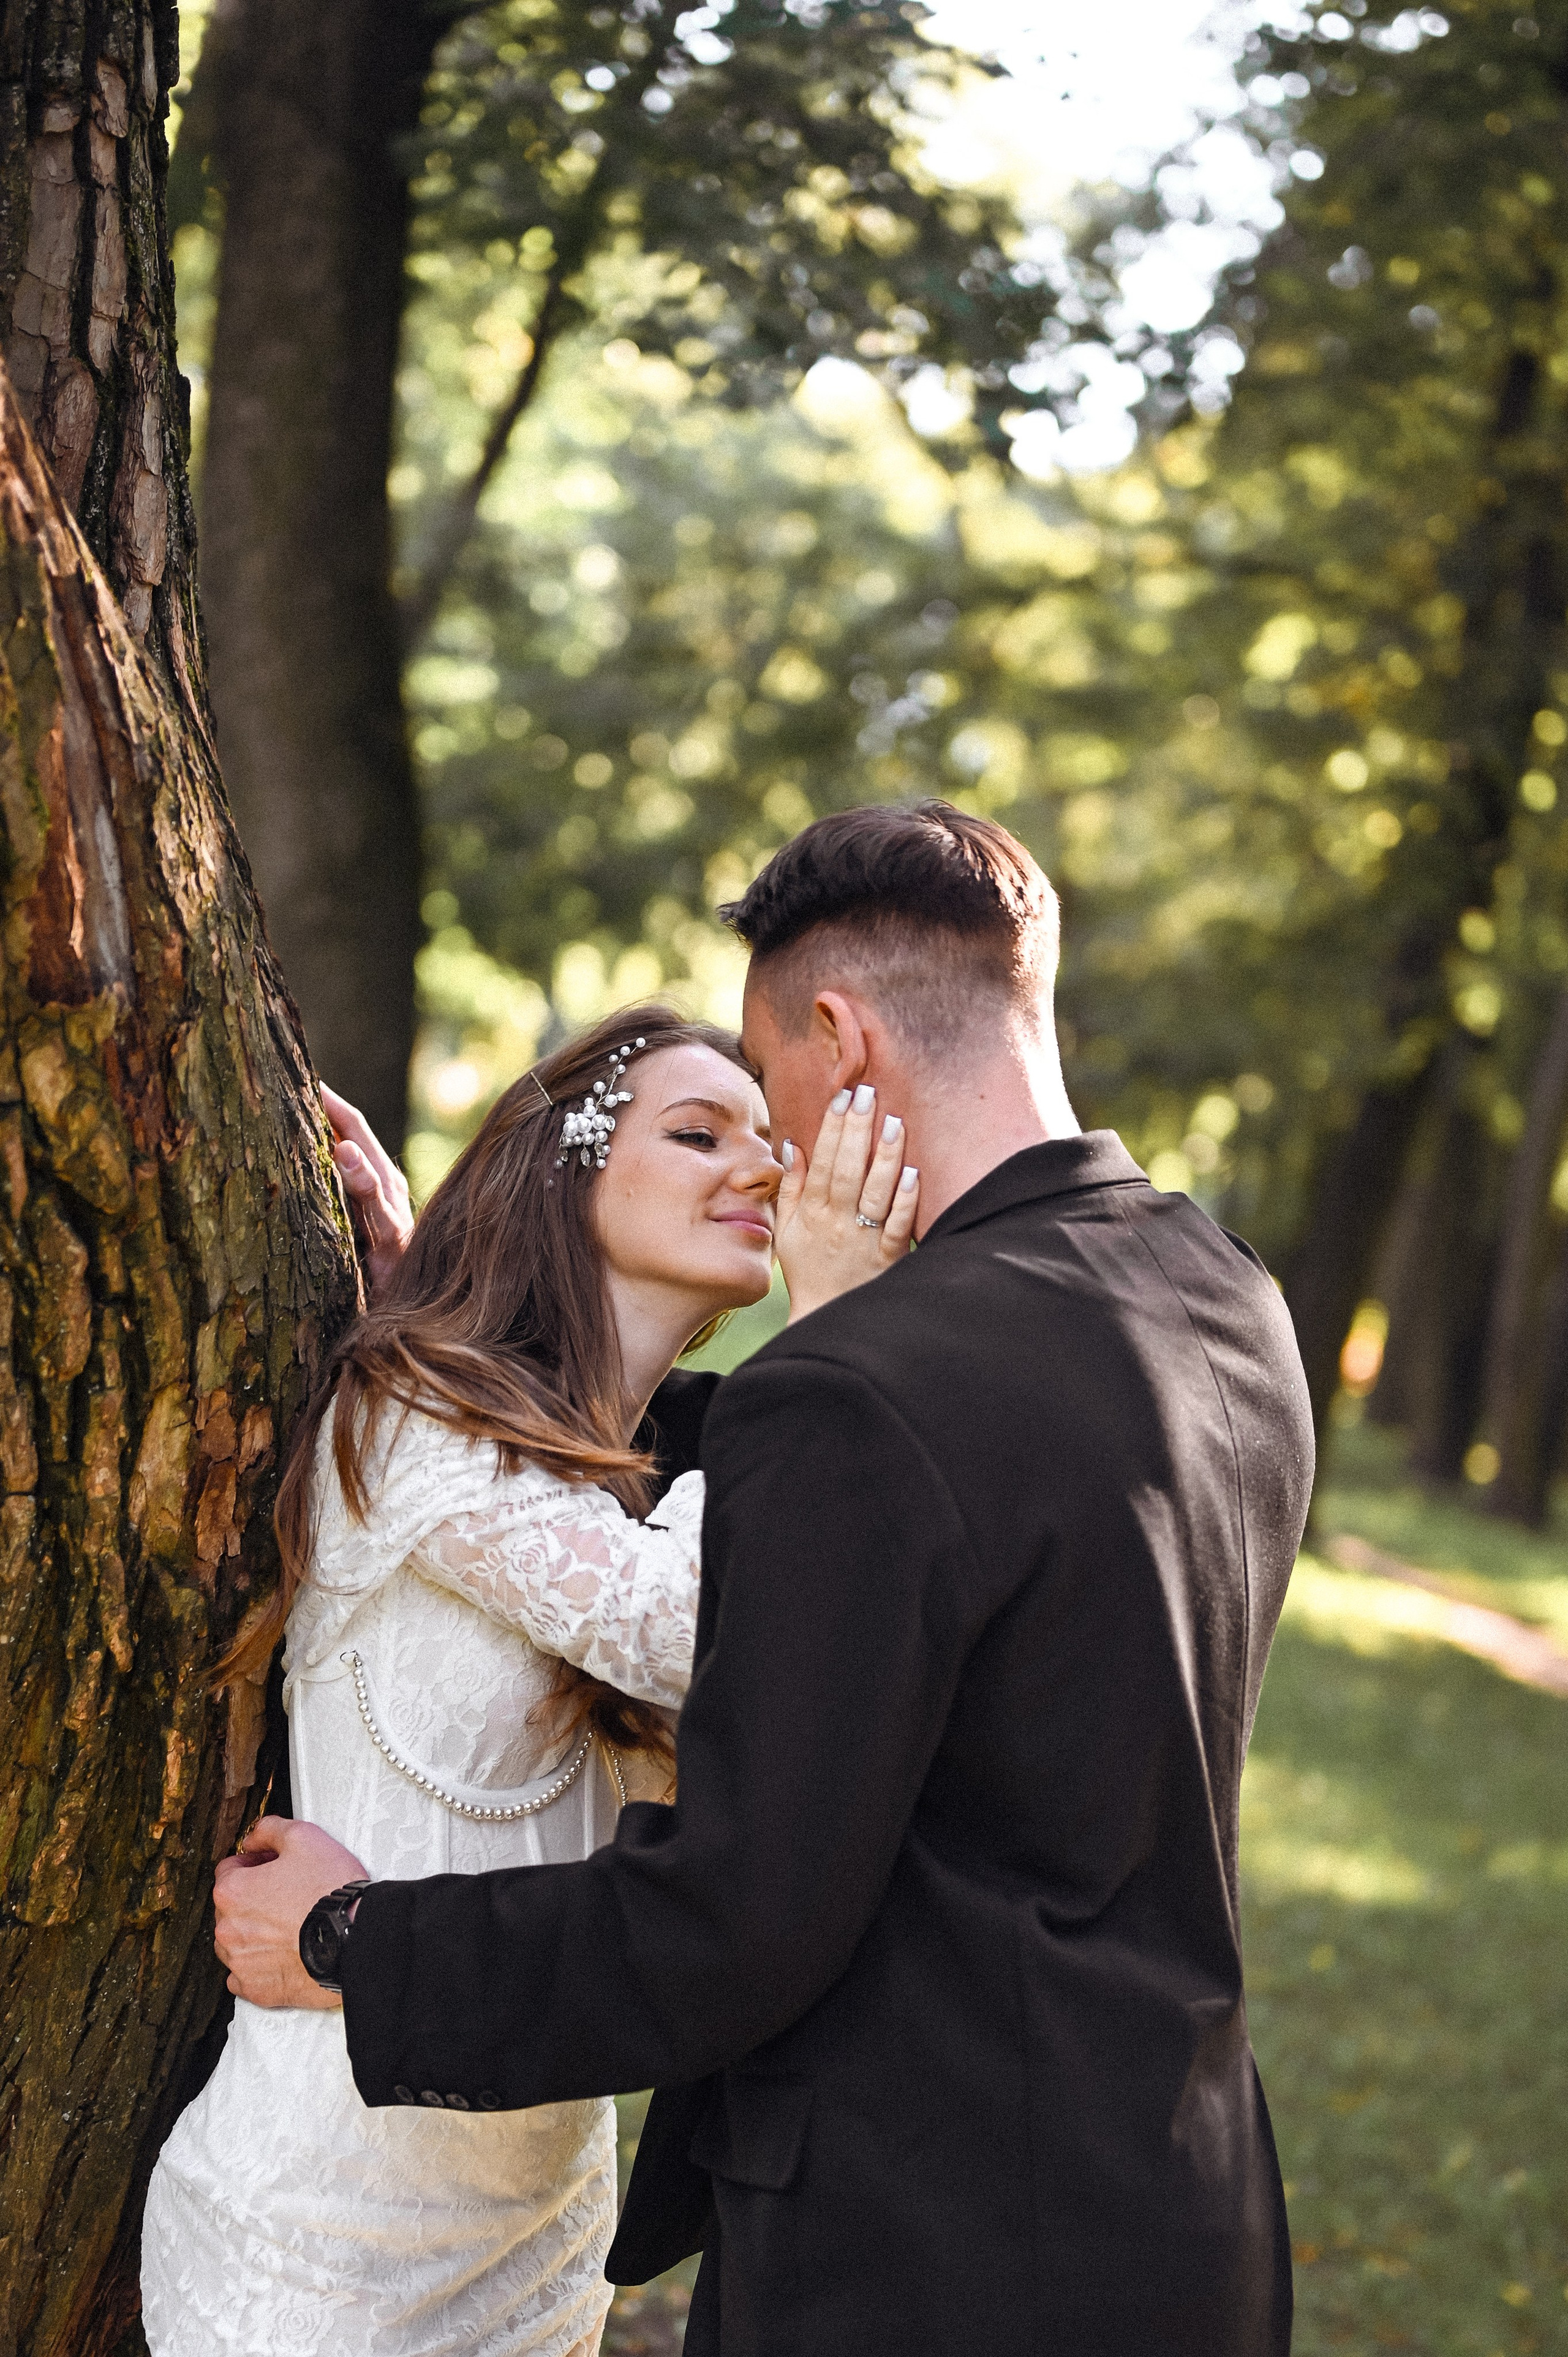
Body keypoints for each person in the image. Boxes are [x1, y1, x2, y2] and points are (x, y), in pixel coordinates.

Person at [216, 801, 1315, 2356]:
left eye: (770, 1081)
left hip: (919, 2256)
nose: (779, 1145)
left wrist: (352, 1942)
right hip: (1183, 2209)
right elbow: (883, 1507)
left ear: (835, 1033)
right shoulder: (1220, 1299)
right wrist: (460, 1334)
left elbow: (732, 1924)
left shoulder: (864, 1389)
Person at [142, 1003, 917, 2357]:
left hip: (541, 2235)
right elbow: (681, 1626)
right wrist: (835, 1326)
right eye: (697, 1131)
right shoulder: (410, 1410)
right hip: (315, 2237)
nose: (765, 1167)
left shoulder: (642, 1487)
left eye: (768, 1136)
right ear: (560, 1169)